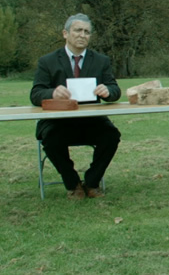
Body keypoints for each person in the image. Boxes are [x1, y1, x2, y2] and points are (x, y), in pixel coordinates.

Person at [30, 14, 122, 200]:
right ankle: (72, 184)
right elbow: (35, 94)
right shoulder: (47, 61)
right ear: (66, 33)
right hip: (58, 122)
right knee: (51, 139)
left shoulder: (101, 61)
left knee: (112, 136)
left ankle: (92, 182)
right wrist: (52, 93)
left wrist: (108, 91)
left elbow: (115, 90)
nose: (82, 35)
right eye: (78, 30)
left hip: (92, 121)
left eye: (87, 32)